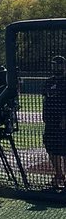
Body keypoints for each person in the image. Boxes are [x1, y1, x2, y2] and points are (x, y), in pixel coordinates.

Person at [42, 54, 66, 191]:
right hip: (50, 122)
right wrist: (43, 115)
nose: (57, 67)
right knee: (52, 149)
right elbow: (45, 100)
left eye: (60, 64)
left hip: (62, 122)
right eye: (54, 64)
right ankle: (59, 174)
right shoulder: (48, 82)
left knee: (64, 150)